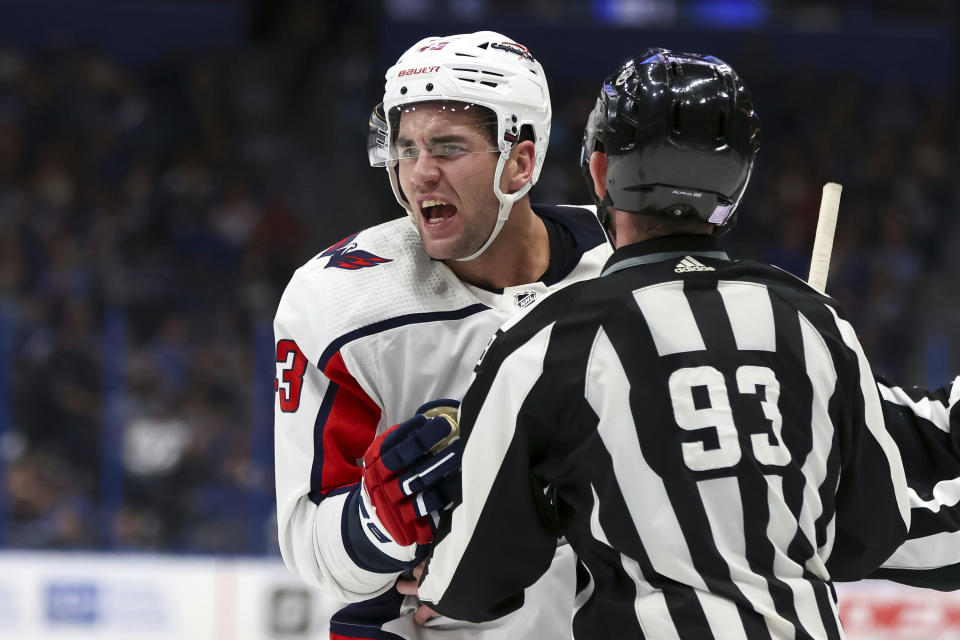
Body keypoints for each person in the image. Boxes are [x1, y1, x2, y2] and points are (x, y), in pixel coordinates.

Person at [416, 49, 960, 638]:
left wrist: (433, 578)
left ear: (599, 172)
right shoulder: (816, 324)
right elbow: (869, 530)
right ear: (739, 182)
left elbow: (478, 579)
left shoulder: (544, 341)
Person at [273, 31, 612, 639]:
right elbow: (311, 548)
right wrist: (379, 524)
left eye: (448, 148)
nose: (419, 174)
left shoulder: (625, 275)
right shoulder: (341, 303)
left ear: (521, 160)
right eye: (405, 149)